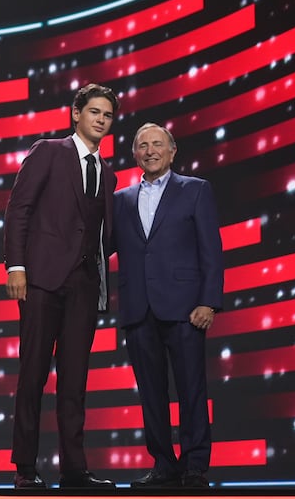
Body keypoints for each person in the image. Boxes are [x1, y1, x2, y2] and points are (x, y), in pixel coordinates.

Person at [3, 83, 118, 490]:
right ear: (76, 113)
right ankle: (25, 469)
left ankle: (74, 469)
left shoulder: (108, 173)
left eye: (107, 115)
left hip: (84, 288)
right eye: (94, 112)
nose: (101, 120)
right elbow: (19, 210)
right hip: (41, 281)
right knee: (32, 374)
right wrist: (16, 266)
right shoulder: (49, 151)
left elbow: (103, 234)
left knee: (75, 380)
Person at [112, 123, 224, 489]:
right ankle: (163, 464)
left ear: (172, 151)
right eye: (142, 145)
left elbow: (211, 250)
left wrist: (208, 300)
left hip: (186, 308)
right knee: (150, 392)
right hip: (138, 307)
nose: (150, 150)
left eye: (157, 144)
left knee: (192, 389)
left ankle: (194, 466)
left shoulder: (195, 190)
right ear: (135, 155)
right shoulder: (121, 200)